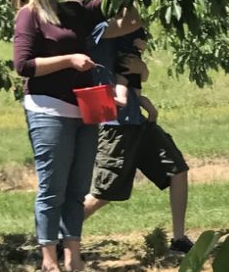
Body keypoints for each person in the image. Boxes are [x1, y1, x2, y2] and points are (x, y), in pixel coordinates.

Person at [12, 0, 141, 272]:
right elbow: (23, 65)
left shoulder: (74, 11)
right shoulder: (30, 16)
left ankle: (74, 257)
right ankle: (48, 261)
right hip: (48, 108)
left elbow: (127, 19)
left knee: (78, 187)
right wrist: (68, 59)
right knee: (52, 187)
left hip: (84, 108)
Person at [82, 29, 193, 256]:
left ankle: (179, 239)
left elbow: (140, 72)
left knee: (177, 169)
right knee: (105, 192)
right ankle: (60, 236)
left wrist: (142, 68)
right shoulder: (97, 34)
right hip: (115, 125)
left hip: (139, 121)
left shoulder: (124, 42)